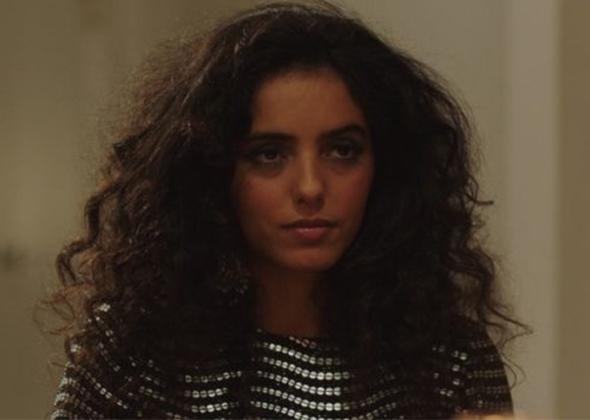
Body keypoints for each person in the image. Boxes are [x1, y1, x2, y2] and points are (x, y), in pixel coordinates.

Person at [44, 1, 528, 418]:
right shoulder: (132, 352)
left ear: (387, 167)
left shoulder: (449, 358)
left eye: (342, 151)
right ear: (210, 171)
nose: (311, 187)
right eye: (270, 155)